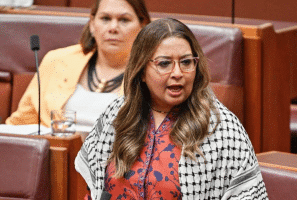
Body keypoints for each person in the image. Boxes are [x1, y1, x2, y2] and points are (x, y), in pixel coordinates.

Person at [75, 18, 268, 199]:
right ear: (141, 71)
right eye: (164, 64)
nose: (177, 73)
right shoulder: (117, 114)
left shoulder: (223, 128)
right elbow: (94, 190)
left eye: (186, 62)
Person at [5, 0, 150, 132]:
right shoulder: (56, 61)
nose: (113, 27)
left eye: (124, 20)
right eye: (105, 18)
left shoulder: (152, 70)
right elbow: (21, 124)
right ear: (92, 24)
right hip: (55, 155)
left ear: (142, 26)